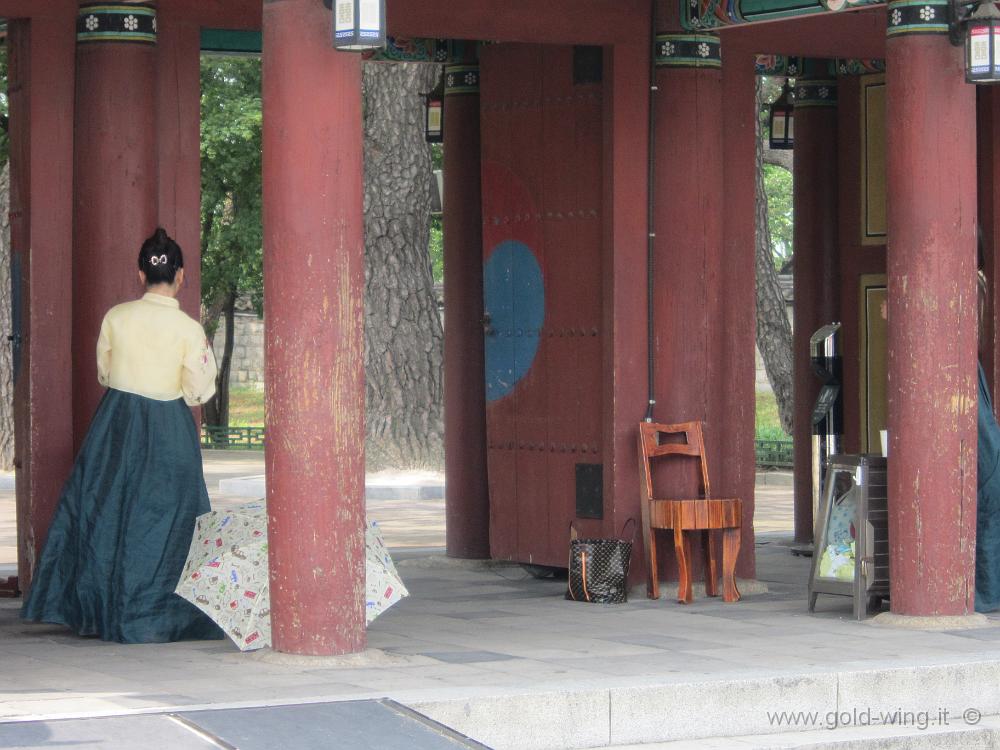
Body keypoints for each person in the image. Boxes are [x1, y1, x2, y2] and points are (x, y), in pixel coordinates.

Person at [21, 228, 224, 642]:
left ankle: (97, 610)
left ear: (140, 275)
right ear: (181, 276)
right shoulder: (188, 329)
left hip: (116, 421)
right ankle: (161, 614)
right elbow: (199, 390)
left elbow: (105, 372)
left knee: (106, 508)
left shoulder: (116, 317)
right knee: (170, 516)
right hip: (168, 424)